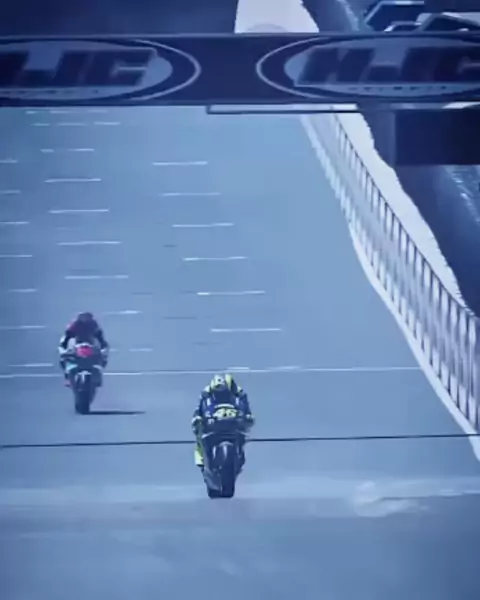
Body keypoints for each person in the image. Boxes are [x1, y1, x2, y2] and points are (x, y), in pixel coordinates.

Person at [191, 373, 255, 471]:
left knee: (244, 432)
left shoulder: (238, 392)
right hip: (214, 422)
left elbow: (244, 405)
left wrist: (247, 415)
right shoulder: (206, 393)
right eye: (219, 394)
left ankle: (240, 453)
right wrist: (198, 417)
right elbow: (200, 407)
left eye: (224, 393)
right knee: (198, 431)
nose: (222, 395)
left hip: (232, 422)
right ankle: (201, 455)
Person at [58, 312, 109, 385]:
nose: (85, 320)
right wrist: (63, 348)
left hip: (91, 345)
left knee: (102, 358)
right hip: (77, 345)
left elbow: (100, 338)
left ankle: (98, 374)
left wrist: (103, 348)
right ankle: (67, 376)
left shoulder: (93, 324)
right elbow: (66, 337)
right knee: (64, 359)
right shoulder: (75, 324)